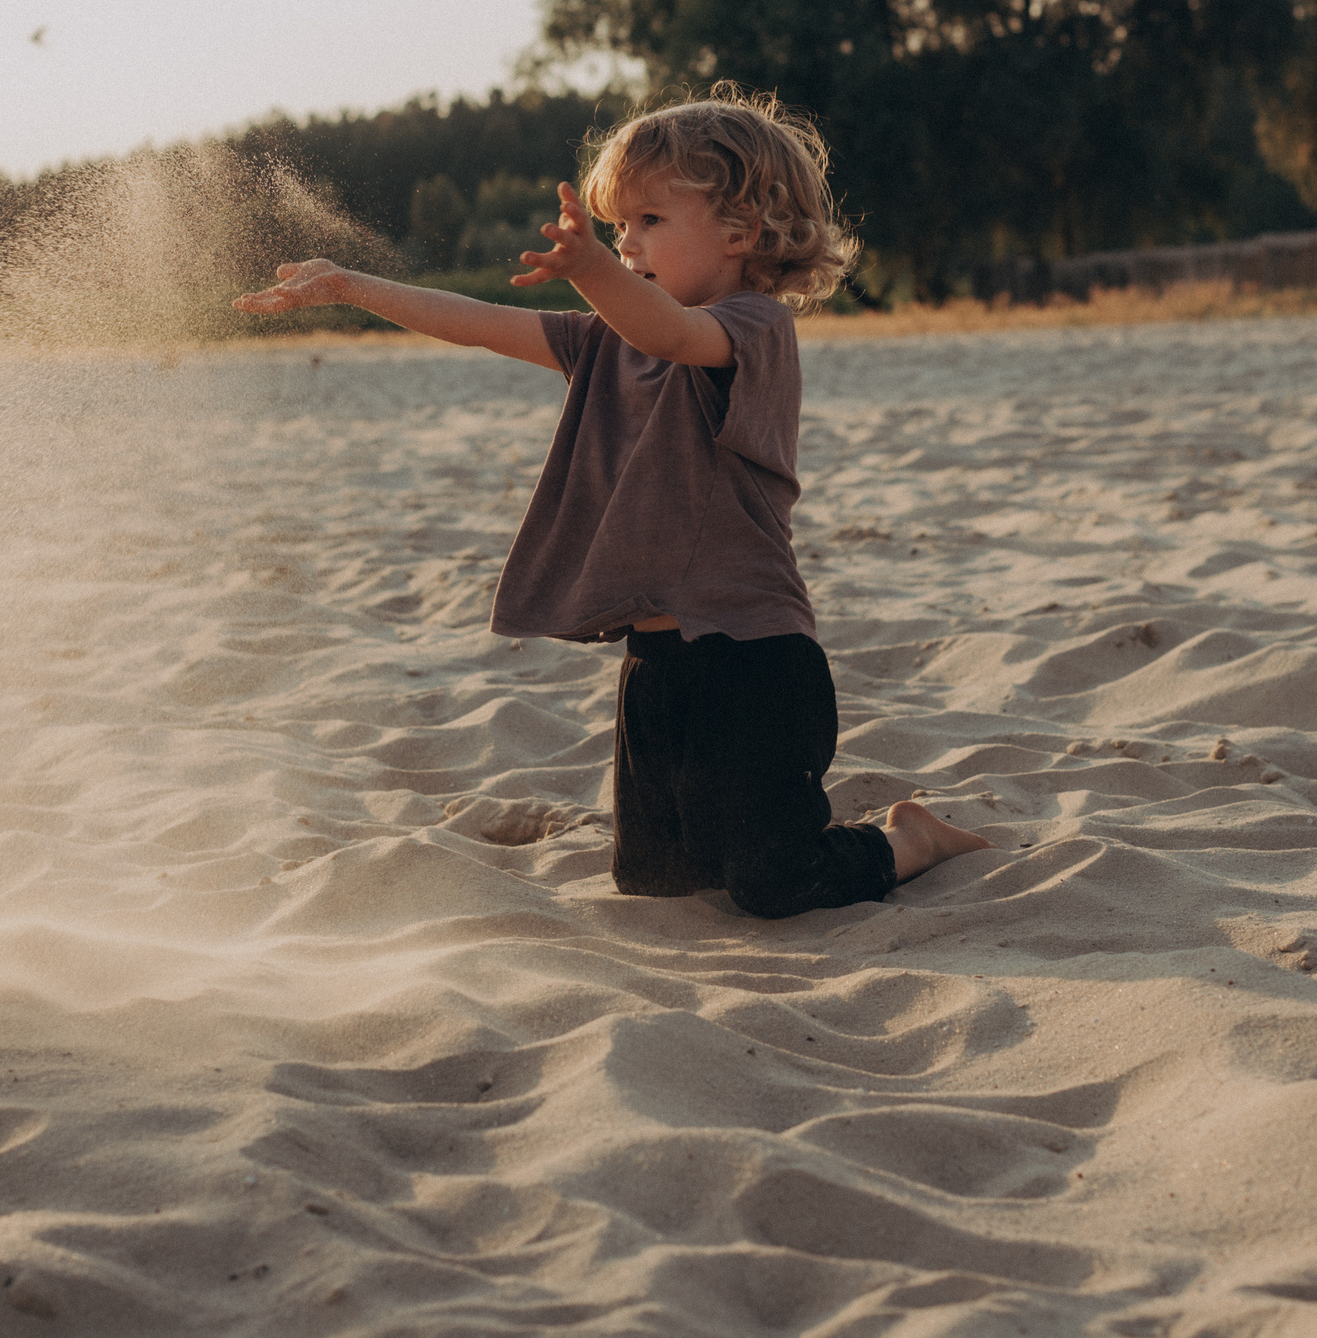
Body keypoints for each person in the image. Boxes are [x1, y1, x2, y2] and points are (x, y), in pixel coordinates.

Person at [235, 88, 989, 918]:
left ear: (741, 233)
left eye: (650, 221)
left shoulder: (752, 329)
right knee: (658, 881)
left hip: (753, 659)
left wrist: (592, 268)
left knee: (773, 879)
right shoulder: (605, 341)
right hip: (654, 665)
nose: (626, 243)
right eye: (617, 226)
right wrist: (351, 285)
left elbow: (671, 334)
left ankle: (908, 837)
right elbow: (482, 322)